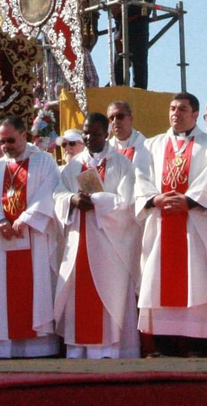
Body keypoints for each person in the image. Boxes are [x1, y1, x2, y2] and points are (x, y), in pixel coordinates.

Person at [137, 92, 207, 356]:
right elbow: (140, 176)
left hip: (193, 224)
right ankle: (165, 346)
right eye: (173, 108)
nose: (176, 113)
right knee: (157, 282)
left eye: (182, 109)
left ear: (195, 114)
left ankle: (198, 346)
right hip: (161, 223)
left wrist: (190, 200)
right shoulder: (151, 145)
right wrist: (155, 198)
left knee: (195, 282)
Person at [55, 112, 141, 358]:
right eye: (86, 132)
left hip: (109, 245)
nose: (90, 137)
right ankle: (78, 351)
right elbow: (57, 194)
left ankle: (108, 351)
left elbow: (128, 202)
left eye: (95, 133)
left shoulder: (122, 163)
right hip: (79, 241)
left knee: (110, 297)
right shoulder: (73, 165)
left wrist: (97, 201)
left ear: (106, 134)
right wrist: (72, 199)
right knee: (79, 300)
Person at [0, 117, 62, 358]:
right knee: (5, 297)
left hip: (34, 239)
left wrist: (27, 218)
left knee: (36, 291)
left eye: (10, 140)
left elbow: (50, 192)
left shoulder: (44, 161)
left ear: (24, 134)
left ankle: (39, 348)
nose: (6, 146)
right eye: (2, 142)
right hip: (4, 242)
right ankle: (5, 349)